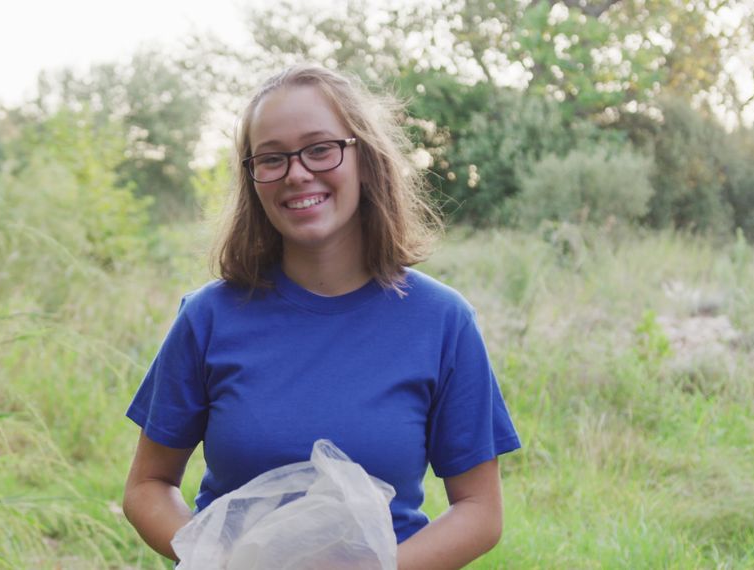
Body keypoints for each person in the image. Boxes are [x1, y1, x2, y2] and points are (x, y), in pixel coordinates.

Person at [122, 64, 521, 570]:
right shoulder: (208, 318)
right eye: (271, 158)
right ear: (253, 179)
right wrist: (219, 561)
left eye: (319, 148)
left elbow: (480, 511)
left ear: (365, 159)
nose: (296, 173)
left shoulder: (442, 322)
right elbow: (147, 486)